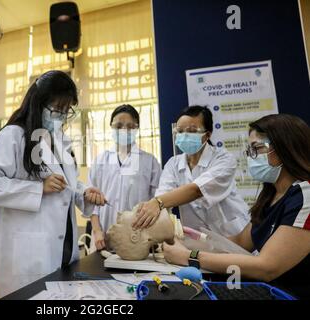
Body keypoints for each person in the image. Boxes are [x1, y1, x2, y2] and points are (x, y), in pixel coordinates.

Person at [0, 70, 107, 299]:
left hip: (63, 250)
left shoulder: (59, 140)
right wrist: (37, 188)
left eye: (67, 111)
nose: (62, 117)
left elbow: (68, 183)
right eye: (58, 109)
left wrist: (83, 193)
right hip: (28, 256)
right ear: (39, 103)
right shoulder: (13, 136)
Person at [162, 114, 310, 299]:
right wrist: (190, 241)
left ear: (286, 148)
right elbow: (241, 241)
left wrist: (188, 256)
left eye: (257, 148)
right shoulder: (271, 195)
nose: (251, 157)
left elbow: (267, 267)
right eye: (249, 150)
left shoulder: (305, 195)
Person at [133, 106, 250, 236]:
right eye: (180, 131)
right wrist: (149, 212)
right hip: (198, 240)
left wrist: (157, 202)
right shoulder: (173, 164)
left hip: (233, 236)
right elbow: (164, 197)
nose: (184, 136)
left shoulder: (224, 159)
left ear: (207, 135)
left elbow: (196, 190)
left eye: (192, 131)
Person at [88, 104, 161, 251]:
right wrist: (96, 231)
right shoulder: (100, 160)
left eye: (129, 126)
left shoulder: (149, 161)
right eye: (119, 126)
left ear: (136, 128)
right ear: (111, 127)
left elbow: (158, 201)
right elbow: (91, 201)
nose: (123, 130)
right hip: (103, 238)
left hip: (138, 238)